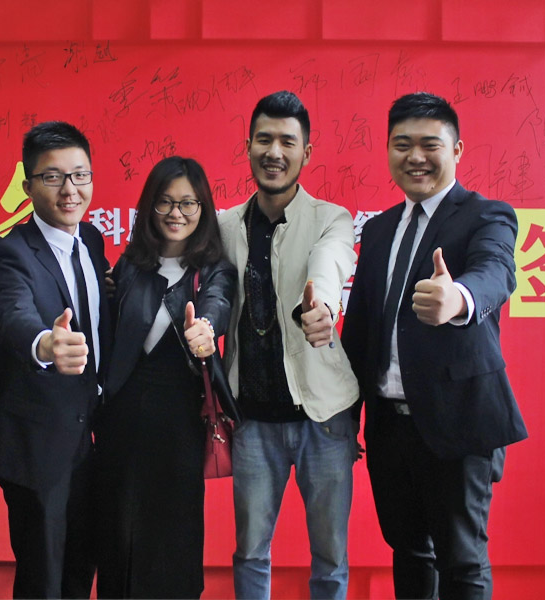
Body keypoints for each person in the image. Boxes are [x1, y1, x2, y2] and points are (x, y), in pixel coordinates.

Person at [341, 92, 529, 600]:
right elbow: (360, 331)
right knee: (409, 552)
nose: (415, 157)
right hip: (389, 427)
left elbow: (496, 272)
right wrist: (347, 417)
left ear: (457, 149)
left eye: (430, 144)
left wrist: (459, 297)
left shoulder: (486, 216)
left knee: (462, 562)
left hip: (458, 423)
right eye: (402, 145)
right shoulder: (378, 229)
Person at [218, 90, 360, 600]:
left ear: (306, 152)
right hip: (252, 421)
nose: (274, 152)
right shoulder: (224, 225)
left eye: (287, 141)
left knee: (330, 557)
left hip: (325, 419)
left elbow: (331, 262)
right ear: (248, 146)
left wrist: (319, 308)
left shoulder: (331, 218)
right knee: (250, 552)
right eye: (264, 139)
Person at [94, 156, 238, 599]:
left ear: (203, 209)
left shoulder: (214, 269)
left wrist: (205, 330)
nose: (177, 213)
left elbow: (216, 305)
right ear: (150, 207)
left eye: (188, 203)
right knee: (118, 528)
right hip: (122, 419)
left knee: (174, 533)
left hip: (179, 421)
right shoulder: (130, 266)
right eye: (166, 202)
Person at [0, 121, 110, 599]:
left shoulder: (92, 240)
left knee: (80, 569)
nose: (69, 190)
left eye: (80, 175)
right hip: (39, 443)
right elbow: (12, 314)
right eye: (53, 177)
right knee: (43, 578)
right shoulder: (11, 253)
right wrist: (44, 345)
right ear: (27, 186)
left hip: (92, 439)